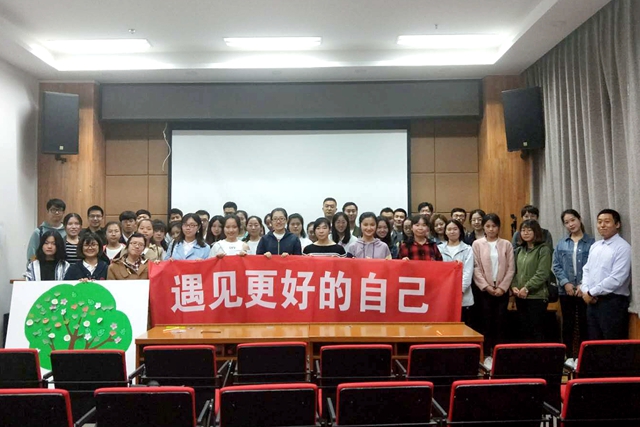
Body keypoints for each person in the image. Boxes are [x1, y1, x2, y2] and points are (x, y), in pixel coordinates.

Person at [580, 209, 632, 340]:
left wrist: (591, 292)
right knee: (594, 342)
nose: (602, 225)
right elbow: (586, 270)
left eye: (607, 222)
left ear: (617, 224)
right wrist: (586, 291)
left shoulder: (623, 247)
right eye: (599, 222)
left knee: (612, 343)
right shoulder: (595, 246)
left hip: (612, 303)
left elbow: (617, 278)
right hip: (592, 301)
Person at [472, 213, 515, 358]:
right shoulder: (477, 244)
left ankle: (499, 354)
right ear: (483, 227)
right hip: (484, 291)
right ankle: (487, 355)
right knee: (486, 322)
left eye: (494, 226)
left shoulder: (506, 244)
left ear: (499, 227)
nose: (491, 229)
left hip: (502, 290)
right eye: (488, 226)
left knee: (501, 323)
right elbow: (476, 268)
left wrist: (502, 287)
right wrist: (487, 286)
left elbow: (511, 268)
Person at [552, 209, 595, 357]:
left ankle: (583, 357)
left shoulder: (592, 243)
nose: (570, 224)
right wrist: (566, 283)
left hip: (585, 290)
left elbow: (594, 266)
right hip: (566, 291)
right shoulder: (561, 244)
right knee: (568, 324)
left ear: (579, 219)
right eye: (566, 222)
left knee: (585, 323)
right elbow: (556, 265)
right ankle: (569, 356)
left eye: (572, 220)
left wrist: (583, 284)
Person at [511, 220, 553, 343]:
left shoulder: (543, 249)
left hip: (537, 296)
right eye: (523, 230)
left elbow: (542, 273)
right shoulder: (519, 250)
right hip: (520, 296)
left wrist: (527, 288)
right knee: (524, 330)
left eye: (529, 230)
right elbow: (514, 271)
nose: (526, 233)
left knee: (537, 330)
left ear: (536, 232)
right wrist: (514, 286)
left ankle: (538, 354)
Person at [439, 219, 474, 325]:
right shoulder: (439, 249)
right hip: (443, 295)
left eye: (455, 229)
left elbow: (467, 273)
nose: (452, 232)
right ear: (445, 232)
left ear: (460, 231)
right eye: (449, 229)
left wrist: (459, 291)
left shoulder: (468, 249)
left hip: (463, 297)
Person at [26, 198, 67, 263]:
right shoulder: (39, 232)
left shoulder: (67, 232)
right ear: (48, 212)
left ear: (63, 212)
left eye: (59, 210)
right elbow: (31, 255)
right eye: (53, 210)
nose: (56, 212)